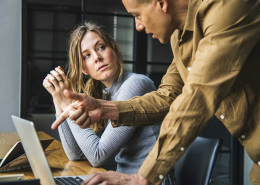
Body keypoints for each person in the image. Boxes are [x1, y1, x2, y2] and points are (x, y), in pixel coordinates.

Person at [52, 0, 260, 184]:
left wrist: (143, 177)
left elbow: (197, 96)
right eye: (86, 56)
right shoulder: (179, 37)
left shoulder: (228, 9)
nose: (139, 26)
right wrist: (105, 108)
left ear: (160, 3)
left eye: (137, 15)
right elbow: (166, 97)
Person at [43, 22, 176, 184]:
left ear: (115, 50)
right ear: (84, 69)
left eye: (101, 47)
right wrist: (59, 99)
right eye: (87, 55)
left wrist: (67, 105)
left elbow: (97, 156)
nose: (97, 58)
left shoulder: (136, 84)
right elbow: (75, 154)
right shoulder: (105, 94)